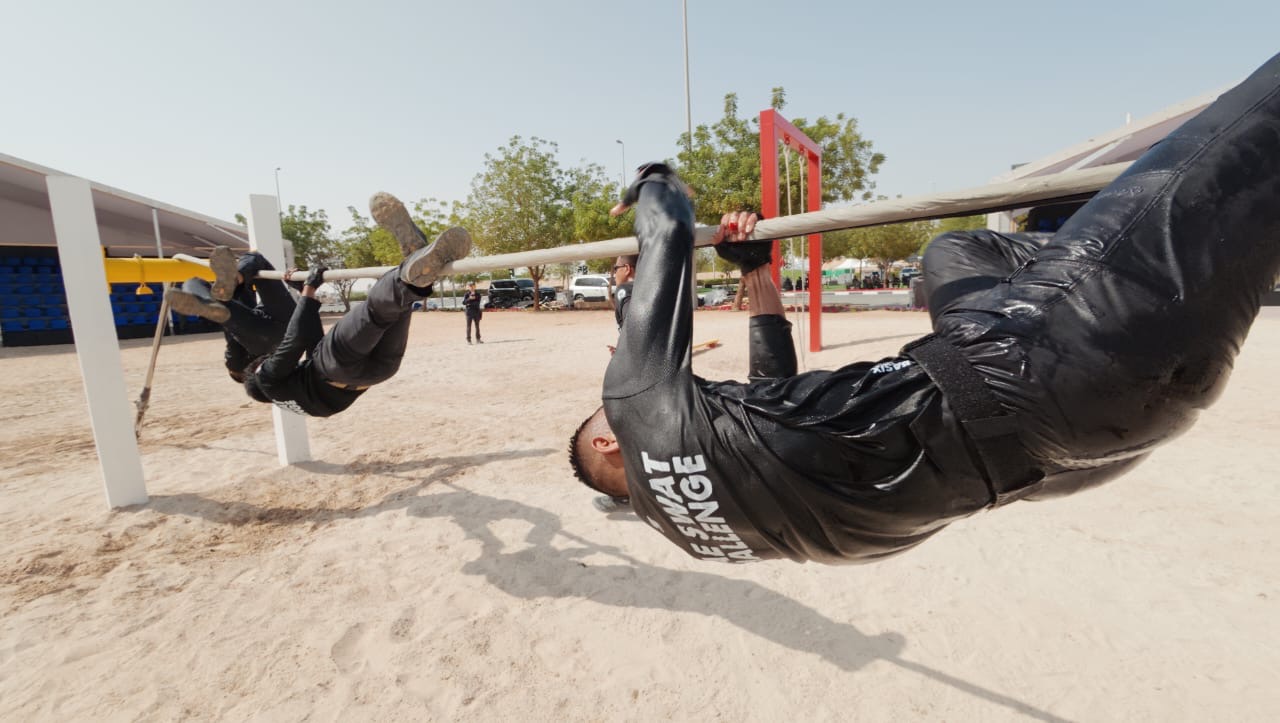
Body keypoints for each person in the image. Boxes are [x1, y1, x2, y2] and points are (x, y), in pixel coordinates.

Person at [568, 51, 1280, 564]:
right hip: (1052, 349)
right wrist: (653, 179)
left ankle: (1128, 239)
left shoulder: (710, 535)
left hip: (1083, 445)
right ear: (606, 444)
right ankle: (1124, 239)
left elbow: (773, 388)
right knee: (1262, 114)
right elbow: (665, 229)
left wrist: (755, 270)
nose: (614, 399)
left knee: (955, 253)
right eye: (605, 413)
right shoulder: (638, 415)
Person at [171, 192, 472, 417]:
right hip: (333, 365)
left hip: (378, 373)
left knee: (393, 309)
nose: (265, 360)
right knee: (374, 312)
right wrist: (308, 290)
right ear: (255, 375)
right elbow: (296, 342)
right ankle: (411, 266)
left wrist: (305, 293)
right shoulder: (267, 379)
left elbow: (312, 343)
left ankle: (414, 264)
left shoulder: (296, 395)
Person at [167, 247, 299, 383]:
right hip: (269, 334)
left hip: (285, 328)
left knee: (201, 285)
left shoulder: (259, 367)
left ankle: (217, 294)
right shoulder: (237, 365)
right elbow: (233, 344)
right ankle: (219, 292)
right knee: (194, 282)